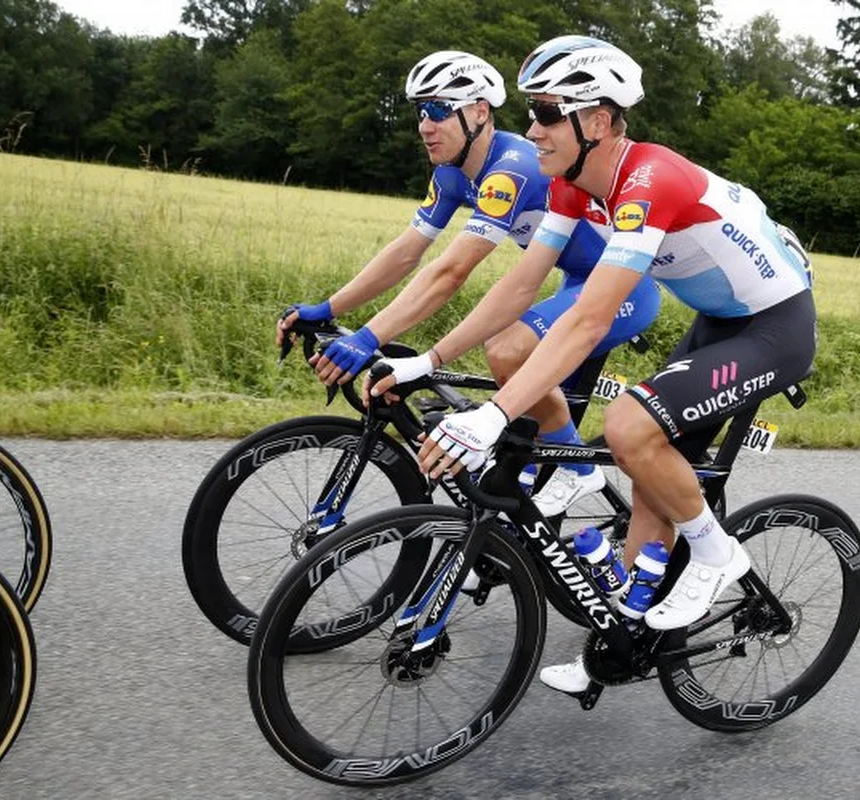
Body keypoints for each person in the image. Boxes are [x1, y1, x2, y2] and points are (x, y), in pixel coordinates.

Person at [376, 35, 815, 694]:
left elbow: (586, 321)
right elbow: (520, 289)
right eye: (532, 111)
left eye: (548, 112)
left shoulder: (647, 181)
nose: (532, 128)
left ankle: (718, 554)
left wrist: (495, 416)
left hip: (775, 327)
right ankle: (618, 648)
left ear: (599, 121)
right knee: (649, 476)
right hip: (718, 322)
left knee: (629, 424)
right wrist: (431, 361)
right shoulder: (573, 188)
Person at [279, 50, 660, 515]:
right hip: (575, 280)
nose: (424, 125)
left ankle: (578, 473)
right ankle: (524, 507)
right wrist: (330, 309)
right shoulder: (452, 173)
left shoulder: (513, 167)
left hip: (625, 289)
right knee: (516, 389)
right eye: (421, 111)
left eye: (439, 109)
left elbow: (451, 271)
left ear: (480, 111)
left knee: (507, 350)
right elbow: (407, 251)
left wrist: (369, 336)